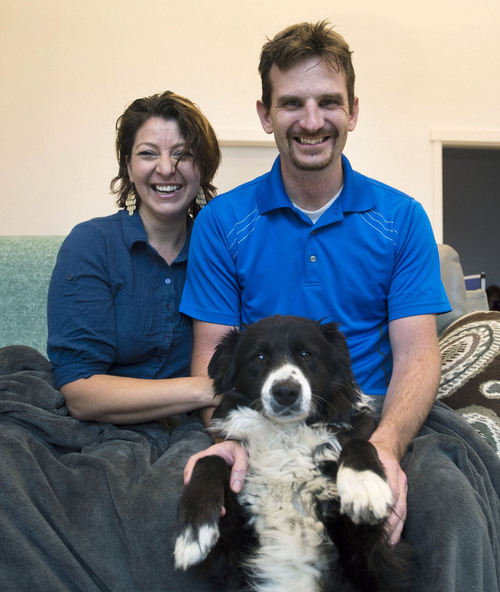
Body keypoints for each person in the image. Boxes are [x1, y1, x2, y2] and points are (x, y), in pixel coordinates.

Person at [180, 22, 500, 592]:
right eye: (291, 104)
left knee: (454, 509)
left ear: (353, 111)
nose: (311, 121)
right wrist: (230, 444)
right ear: (264, 113)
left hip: (370, 421)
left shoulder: (402, 219)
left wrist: (382, 449)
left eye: (329, 102)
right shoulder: (221, 224)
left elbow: (417, 355)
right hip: (258, 427)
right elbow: (212, 365)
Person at [48, 90, 222, 425]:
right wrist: (206, 390)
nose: (166, 168)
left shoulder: (220, 249)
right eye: (148, 153)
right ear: (128, 166)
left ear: (202, 168)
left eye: (182, 154)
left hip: (194, 430)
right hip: (96, 432)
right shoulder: (91, 244)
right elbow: (80, 393)